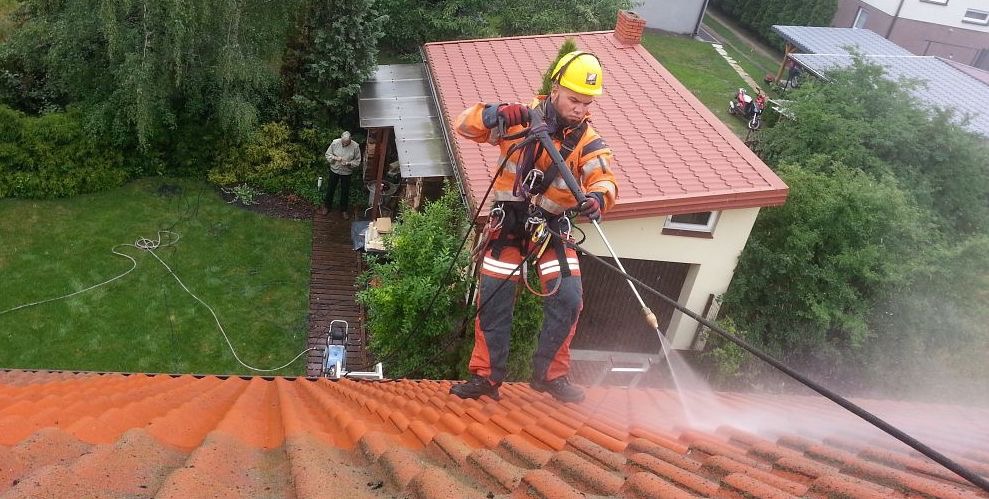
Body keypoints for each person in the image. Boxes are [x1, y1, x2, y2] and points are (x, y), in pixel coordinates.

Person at [449, 51, 618, 403]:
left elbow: (604, 178)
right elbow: (464, 125)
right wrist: (494, 114)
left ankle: (549, 376)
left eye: (587, 103)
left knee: (569, 298)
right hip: (508, 225)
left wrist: (598, 200)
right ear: (554, 89)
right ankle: (486, 378)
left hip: (552, 229)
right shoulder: (521, 119)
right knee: (494, 299)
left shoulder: (587, 140)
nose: (580, 108)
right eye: (574, 99)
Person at [322, 131, 362, 219]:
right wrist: (335, 158)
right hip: (334, 170)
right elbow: (327, 154)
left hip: (346, 172)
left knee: (345, 191)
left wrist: (348, 163)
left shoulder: (355, 146)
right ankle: (327, 207)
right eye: (343, 143)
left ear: (350, 140)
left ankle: (343, 210)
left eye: (346, 143)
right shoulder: (335, 143)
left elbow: (358, 161)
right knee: (330, 189)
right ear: (341, 138)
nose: (344, 144)